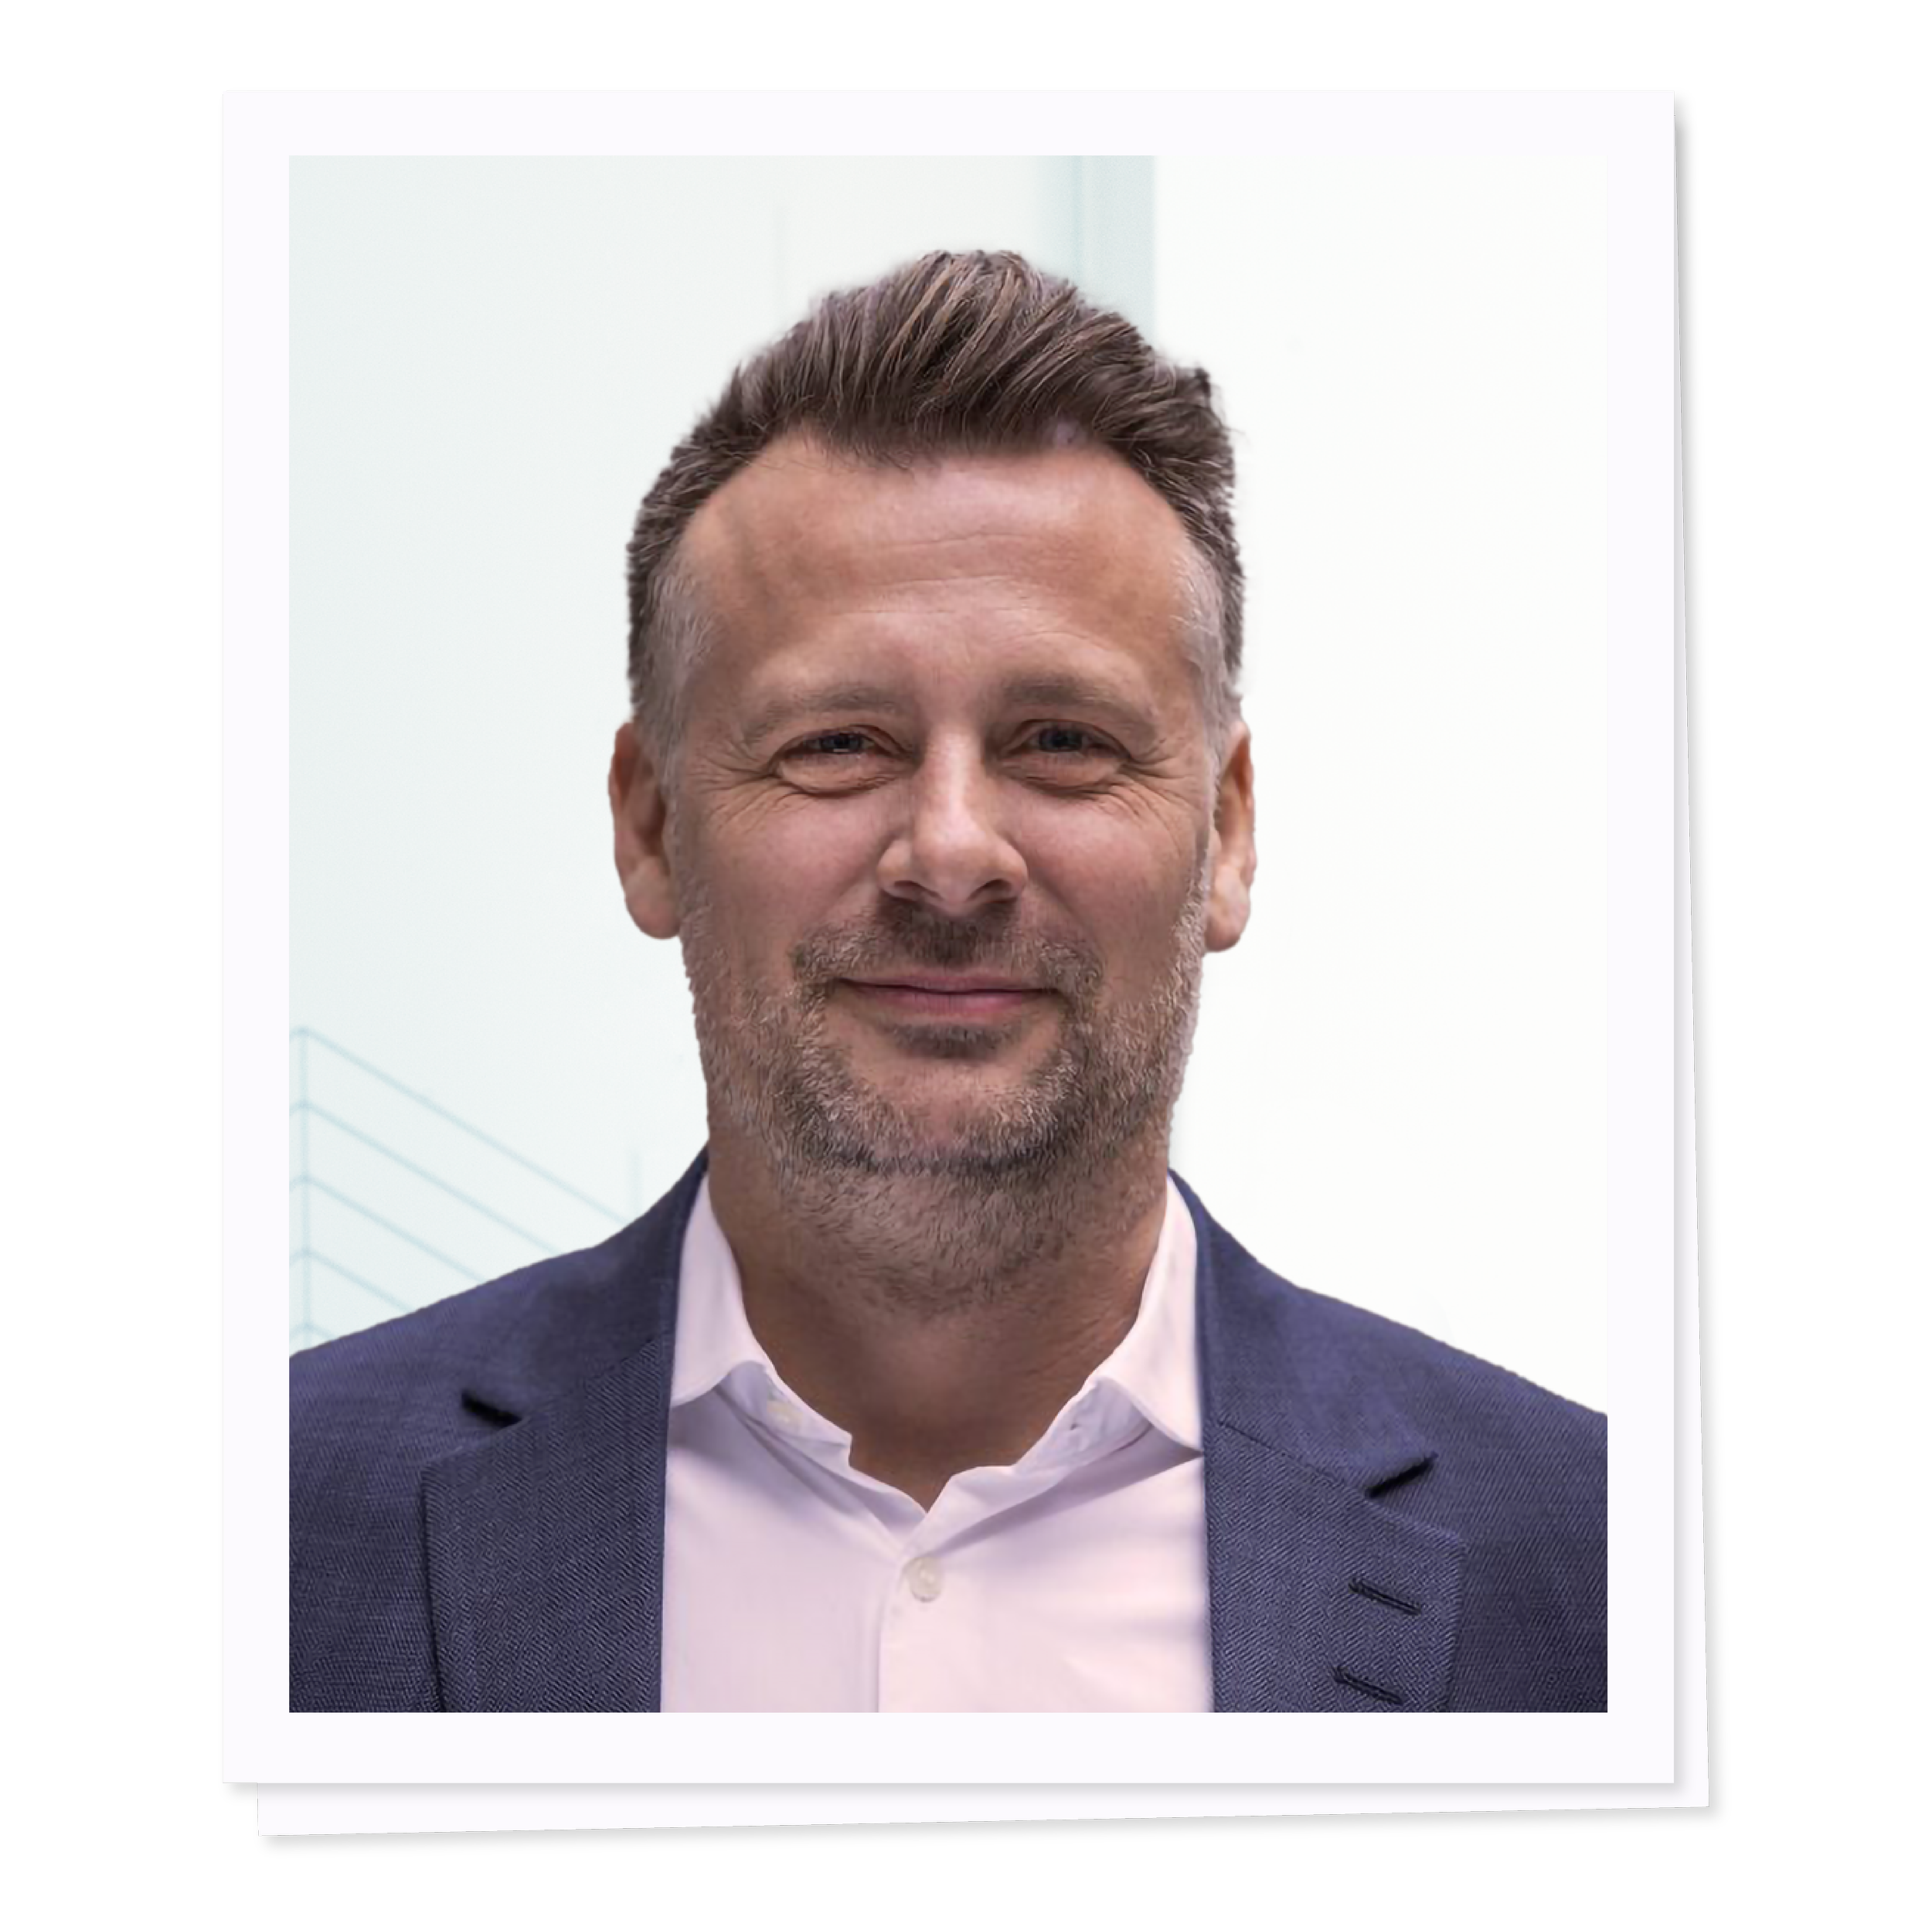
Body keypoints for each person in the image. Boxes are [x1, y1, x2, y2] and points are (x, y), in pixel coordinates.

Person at [290, 250, 1607, 1712]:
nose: (953, 854)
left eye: (1064, 742)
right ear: (651, 826)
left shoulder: (1603, 1571)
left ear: (1227, 834)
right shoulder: (278, 1522)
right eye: (838, 743)